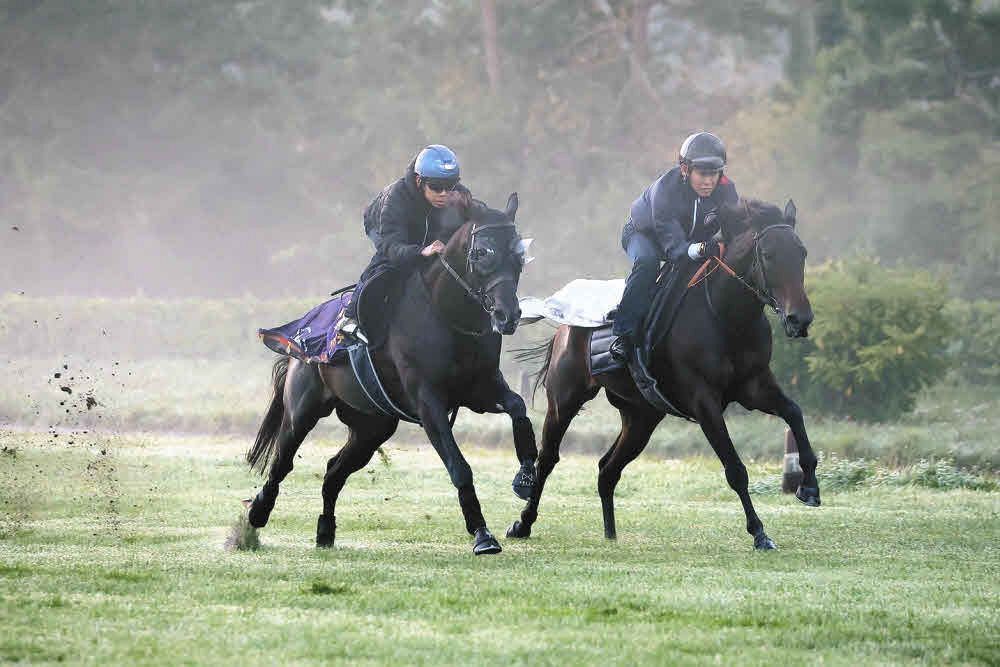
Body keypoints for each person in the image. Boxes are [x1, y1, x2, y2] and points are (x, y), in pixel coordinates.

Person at [610, 131, 739, 361]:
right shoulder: (665, 189)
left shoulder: (726, 189)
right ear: (685, 169)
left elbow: (734, 229)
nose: (709, 182)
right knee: (648, 263)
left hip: (686, 241)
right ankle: (623, 333)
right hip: (645, 235)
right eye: (702, 174)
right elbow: (675, 247)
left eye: (714, 174)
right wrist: (701, 248)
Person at [339, 144, 471, 336]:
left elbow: (480, 217)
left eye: (449, 186)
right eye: (436, 187)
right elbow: (391, 246)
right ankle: (350, 317)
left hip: (422, 226)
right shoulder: (396, 199)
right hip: (384, 229)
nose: (444, 193)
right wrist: (420, 251)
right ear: (419, 181)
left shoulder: (458, 194)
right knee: (390, 264)